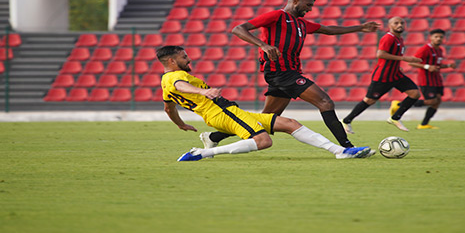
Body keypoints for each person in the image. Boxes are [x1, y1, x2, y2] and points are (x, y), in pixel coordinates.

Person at [201, 0, 379, 149]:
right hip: (280, 72)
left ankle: (213, 137)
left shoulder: (301, 23)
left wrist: (361, 27)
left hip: (288, 72)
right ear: (295, 1)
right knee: (325, 102)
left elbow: (328, 30)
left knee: (269, 117)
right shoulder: (276, 16)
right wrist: (263, 45)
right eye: (308, 5)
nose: (309, 9)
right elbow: (238, 29)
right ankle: (347, 147)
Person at [157, 45, 374, 161]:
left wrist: (180, 124)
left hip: (225, 112)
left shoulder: (167, 81)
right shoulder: (173, 77)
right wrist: (203, 92)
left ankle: (340, 151)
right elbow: (180, 86)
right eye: (185, 57)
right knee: (263, 142)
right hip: (221, 113)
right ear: (172, 61)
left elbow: (169, 107)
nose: (189, 59)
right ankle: (201, 153)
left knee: (289, 123)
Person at [341, 17, 422, 132]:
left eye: (402, 23)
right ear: (390, 25)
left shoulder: (399, 39)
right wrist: (404, 58)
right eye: (396, 23)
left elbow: (392, 56)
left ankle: (395, 118)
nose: (400, 25)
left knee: (415, 93)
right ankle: (346, 121)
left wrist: (398, 66)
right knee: (369, 101)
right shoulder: (388, 38)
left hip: (396, 74)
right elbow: (380, 54)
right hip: (383, 76)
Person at [404, 29, 456, 129]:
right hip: (426, 79)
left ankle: (424, 124)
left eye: (440, 37)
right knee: (431, 101)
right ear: (431, 37)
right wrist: (427, 67)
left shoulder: (439, 50)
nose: (438, 39)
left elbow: (437, 66)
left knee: (438, 100)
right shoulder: (425, 49)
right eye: (436, 36)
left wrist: (448, 65)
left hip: (437, 80)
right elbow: (411, 62)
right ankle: (399, 105)